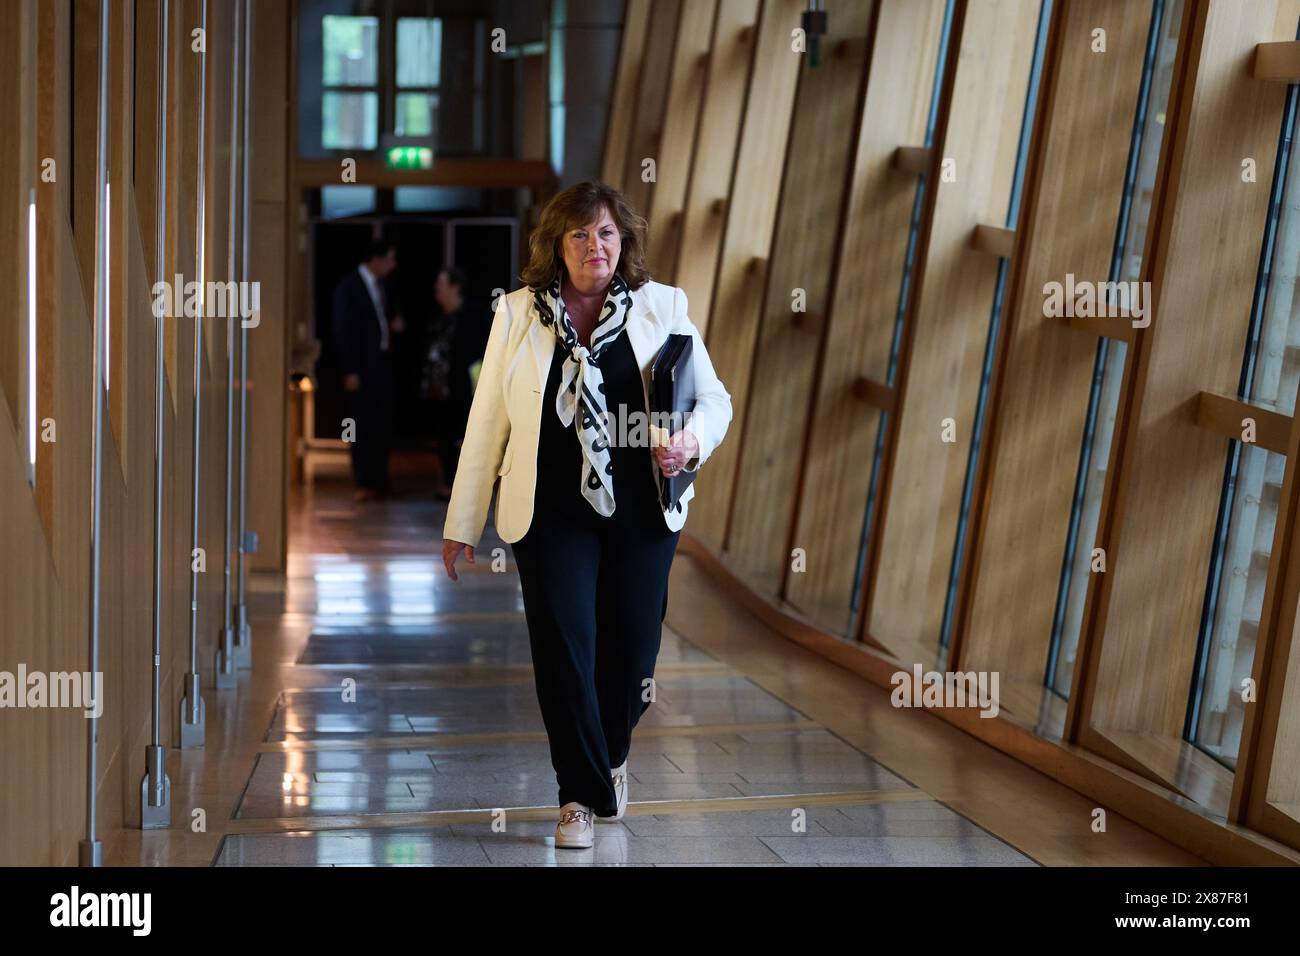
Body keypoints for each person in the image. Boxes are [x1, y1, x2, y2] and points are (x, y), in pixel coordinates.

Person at [440, 181, 733, 849]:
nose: (593, 245)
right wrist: (463, 521)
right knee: (564, 647)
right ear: (556, 245)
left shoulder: (664, 307)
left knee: (632, 649)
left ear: (622, 241)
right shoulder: (517, 314)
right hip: (550, 513)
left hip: (641, 507)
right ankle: (577, 794)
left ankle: (612, 755)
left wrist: (689, 441)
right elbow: (486, 423)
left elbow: (715, 400)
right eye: (578, 234)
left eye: (604, 233)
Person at [331, 240, 404, 502]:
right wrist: (349, 370)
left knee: (382, 424)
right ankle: (363, 481)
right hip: (360, 368)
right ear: (376, 259)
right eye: (389, 259)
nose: (392, 265)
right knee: (360, 426)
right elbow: (342, 330)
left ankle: (380, 481)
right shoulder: (349, 287)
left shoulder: (384, 286)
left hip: (382, 364)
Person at [425, 267, 492, 498]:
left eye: (441, 284)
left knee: (467, 437)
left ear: (455, 287)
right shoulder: (439, 318)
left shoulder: (476, 315)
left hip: (467, 388)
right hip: (441, 389)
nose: (437, 289)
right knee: (445, 435)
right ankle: (448, 483)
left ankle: (471, 486)